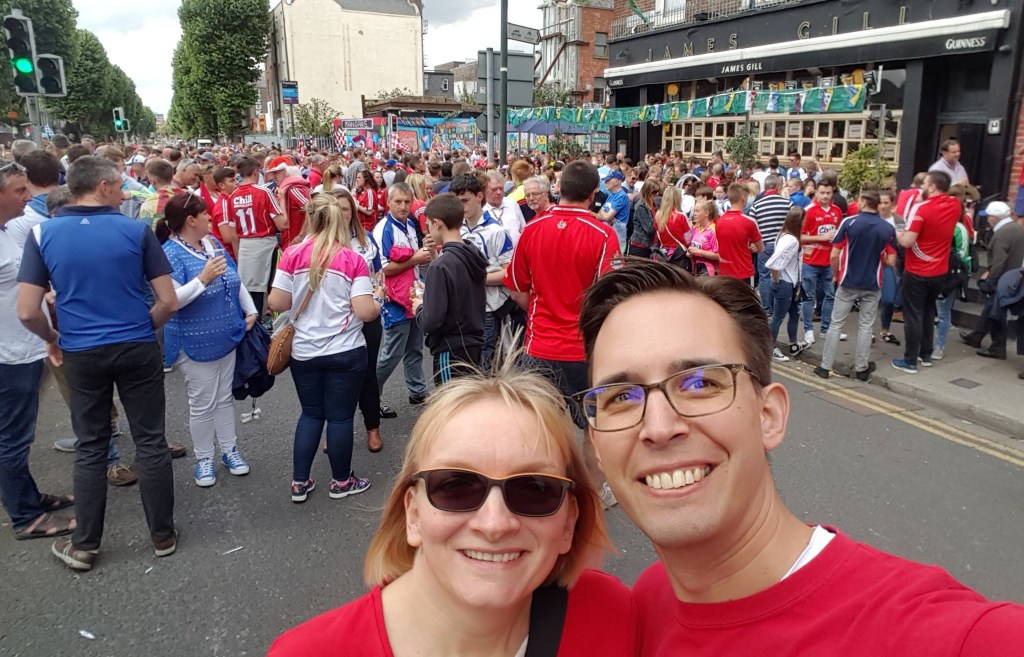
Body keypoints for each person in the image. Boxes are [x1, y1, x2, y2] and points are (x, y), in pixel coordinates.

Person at [574, 260, 1024, 656]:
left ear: (769, 416)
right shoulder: (647, 602)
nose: (658, 427)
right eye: (621, 397)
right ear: (596, 444)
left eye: (700, 383)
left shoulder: (939, 634)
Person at [268, 365, 635, 657]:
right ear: (412, 513)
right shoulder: (310, 652)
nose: (494, 524)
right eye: (456, 485)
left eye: (534, 489)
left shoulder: (610, 615)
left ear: (570, 520)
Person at [17, 156, 178, 571]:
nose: (124, 193)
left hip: (82, 349)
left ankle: (85, 544)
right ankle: (162, 535)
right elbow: (167, 301)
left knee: (90, 444)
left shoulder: (42, 233)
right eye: (119, 185)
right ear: (102, 186)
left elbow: (27, 310)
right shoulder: (135, 230)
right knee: (150, 440)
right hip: (136, 344)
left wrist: (52, 339)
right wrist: (141, 327)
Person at [269, 194, 383, 503]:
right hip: (345, 349)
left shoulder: (292, 254)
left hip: (304, 350)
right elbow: (364, 311)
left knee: (310, 414)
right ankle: (341, 481)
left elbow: (277, 302)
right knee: (340, 417)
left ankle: (299, 481)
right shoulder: (352, 259)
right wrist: (378, 299)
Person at [156, 193, 258, 487]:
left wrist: (250, 309)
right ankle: (204, 459)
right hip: (194, 342)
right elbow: (171, 301)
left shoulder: (211, 244)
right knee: (202, 403)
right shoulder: (170, 254)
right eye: (206, 215)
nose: (211, 219)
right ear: (191, 220)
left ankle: (229, 450)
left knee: (224, 397)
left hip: (226, 336)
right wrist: (202, 279)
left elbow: (235, 279)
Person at [1, 159, 76, 541]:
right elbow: (24, 308)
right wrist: (48, 333)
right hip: (10, 354)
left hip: (23, 348)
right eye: (19, 190)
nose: (27, 197)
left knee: (18, 435)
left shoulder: (6, 232)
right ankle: (25, 516)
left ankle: (29, 498)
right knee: (12, 438)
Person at [813, 189, 897, 381]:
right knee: (866, 326)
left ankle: (825, 367)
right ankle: (861, 368)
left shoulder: (849, 223)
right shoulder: (886, 229)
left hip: (848, 281)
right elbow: (891, 261)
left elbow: (834, 255)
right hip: (872, 284)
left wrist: (836, 275)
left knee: (836, 324)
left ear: (864, 202)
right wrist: (879, 257)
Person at [330, 188, 386, 454]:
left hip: (366, 318)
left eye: (345, 208)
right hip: (334, 321)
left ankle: (372, 427)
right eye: (336, 208)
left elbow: (378, 274)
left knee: (367, 373)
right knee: (336, 376)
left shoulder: (366, 239)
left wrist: (378, 295)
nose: (341, 213)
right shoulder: (319, 242)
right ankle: (334, 428)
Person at [412, 194, 487, 384]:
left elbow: (431, 320)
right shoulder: (472, 254)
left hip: (451, 349)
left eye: (428, 224)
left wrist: (419, 307)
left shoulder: (440, 266)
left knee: (451, 399)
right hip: (473, 344)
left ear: (437, 223)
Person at [373, 182, 432, 418]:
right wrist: (415, 259)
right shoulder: (383, 229)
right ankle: (371, 396)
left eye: (407, 201)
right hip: (393, 299)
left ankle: (417, 391)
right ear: (388, 202)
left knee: (415, 347)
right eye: (398, 201)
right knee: (392, 353)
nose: (403, 206)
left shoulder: (409, 224)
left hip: (413, 295)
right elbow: (383, 269)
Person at [892, 171, 961, 374]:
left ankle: (910, 361)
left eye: (925, 184)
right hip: (940, 270)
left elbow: (906, 241)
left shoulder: (921, 208)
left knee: (913, 315)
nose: (921, 188)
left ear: (932, 187)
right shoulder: (955, 205)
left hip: (917, 270)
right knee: (929, 312)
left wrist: (896, 230)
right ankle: (926, 355)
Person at [451, 173, 514, 371]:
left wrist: (476, 278)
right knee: (463, 361)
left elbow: (509, 274)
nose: (461, 207)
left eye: (465, 201)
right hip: (462, 307)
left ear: (479, 196)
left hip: (487, 308)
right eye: (457, 202)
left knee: (483, 363)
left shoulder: (496, 231)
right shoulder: (456, 228)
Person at [959, 200, 1024, 359]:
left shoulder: (1001, 234)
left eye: (988, 216)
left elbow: (999, 261)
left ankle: (997, 348)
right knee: (991, 309)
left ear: (995, 218)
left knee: (997, 313)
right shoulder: (1017, 229)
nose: (987, 219)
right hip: (1013, 278)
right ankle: (977, 336)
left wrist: (991, 278)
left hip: (1004, 280)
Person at [225, 156, 287, 317]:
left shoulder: (232, 197)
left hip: (245, 247)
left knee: (251, 295)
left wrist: (239, 257)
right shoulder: (264, 192)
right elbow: (283, 224)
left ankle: (255, 325)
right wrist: (282, 202)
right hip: (266, 244)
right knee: (273, 287)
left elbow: (232, 235)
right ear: (255, 171)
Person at [799, 180, 843, 345]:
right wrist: (821, 237)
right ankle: (808, 330)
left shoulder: (837, 211)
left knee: (830, 295)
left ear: (833, 193)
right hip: (810, 261)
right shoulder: (809, 210)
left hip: (829, 262)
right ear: (816, 192)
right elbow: (800, 236)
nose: (825, 196)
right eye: (822, 193)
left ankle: (826, 329)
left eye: (828, 193)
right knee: (808, 297)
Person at [764, 207, 808, 361]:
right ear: (798, 221)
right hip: (785, 284)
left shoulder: (784, 235)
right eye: (804, 219)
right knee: (778, 317)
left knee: (795, 314)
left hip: (791, 283)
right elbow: (774, 263)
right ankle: (770, 347)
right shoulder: (792, 241)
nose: (806, 222)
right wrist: (776, 280)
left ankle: (793, 344)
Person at [750, 174, 791, 312]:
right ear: (778, 187)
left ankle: (767, 307)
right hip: (783, 243)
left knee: (765, 276)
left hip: (764, 244)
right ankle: (781, 306)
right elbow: (793, 223)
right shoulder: (787, 203)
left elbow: (752, 226)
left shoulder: (757, 205)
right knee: (783, 275)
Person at [597, 170, 631, 249]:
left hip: (617, 238)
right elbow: (598, 216)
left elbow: (607, 217)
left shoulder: (622, 196)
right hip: (607, 235)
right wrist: (605, 215)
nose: (605, 182)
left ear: (616, 182)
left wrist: (604, 214)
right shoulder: (610, 194)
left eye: (608, 180)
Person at [628, 179, 660, 258]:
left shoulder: (654, 205)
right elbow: (649, 229)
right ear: (648, 192)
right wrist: (659, 218)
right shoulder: (641, 206)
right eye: (654, 192)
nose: (657, 194)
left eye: (657, 191)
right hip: (639, 247)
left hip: (650, 246)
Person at [686, 200, 719, 276]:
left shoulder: (713, 230)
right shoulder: (696, 228)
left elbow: (718, 255)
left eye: (697, 211)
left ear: (706, 213)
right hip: (695, 269)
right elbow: (692, 248)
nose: (694, 214)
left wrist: (699, 251)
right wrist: (689, 252)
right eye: (694, 211)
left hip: (708, 272)